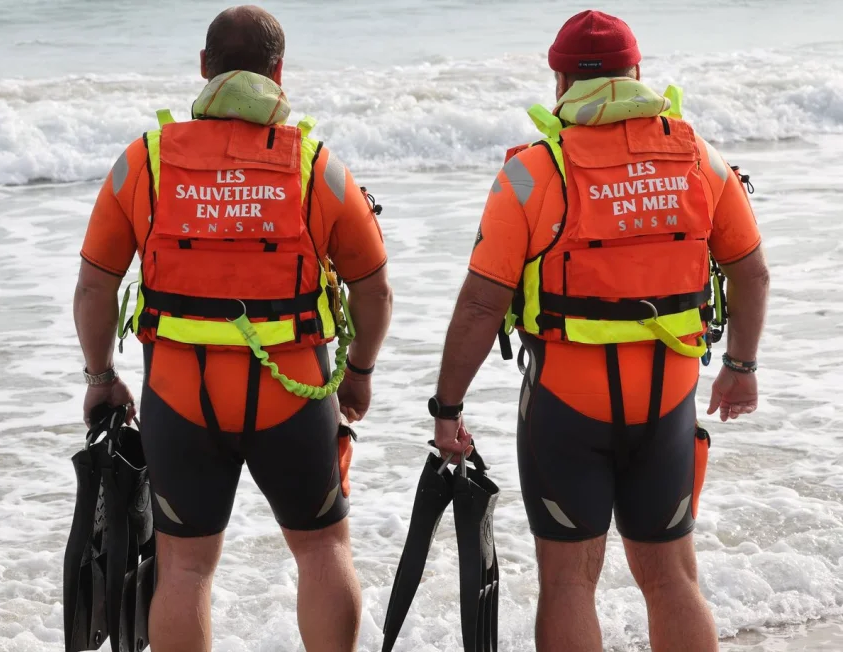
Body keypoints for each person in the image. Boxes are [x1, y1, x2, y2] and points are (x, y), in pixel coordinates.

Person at [429, 10, 769, 652]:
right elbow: (752, 273)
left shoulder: (531, 173)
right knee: (670, 577)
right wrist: (741, 368)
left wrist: (448, 409)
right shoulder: (699, 157)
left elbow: (480, 305)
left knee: (567, 584)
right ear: (637, 73)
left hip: (567, 407)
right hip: (666, 404)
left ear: (559, 83)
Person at [72, 6, 393, 651]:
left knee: (186, 567)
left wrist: (102, 378)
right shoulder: (316, 166)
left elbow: (93, 286)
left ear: (203, 69)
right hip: (293, 395)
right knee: (323, 547)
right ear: (279, 73)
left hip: (179, 395)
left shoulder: (145, 162)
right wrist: (357, 373)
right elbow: (375, 288)